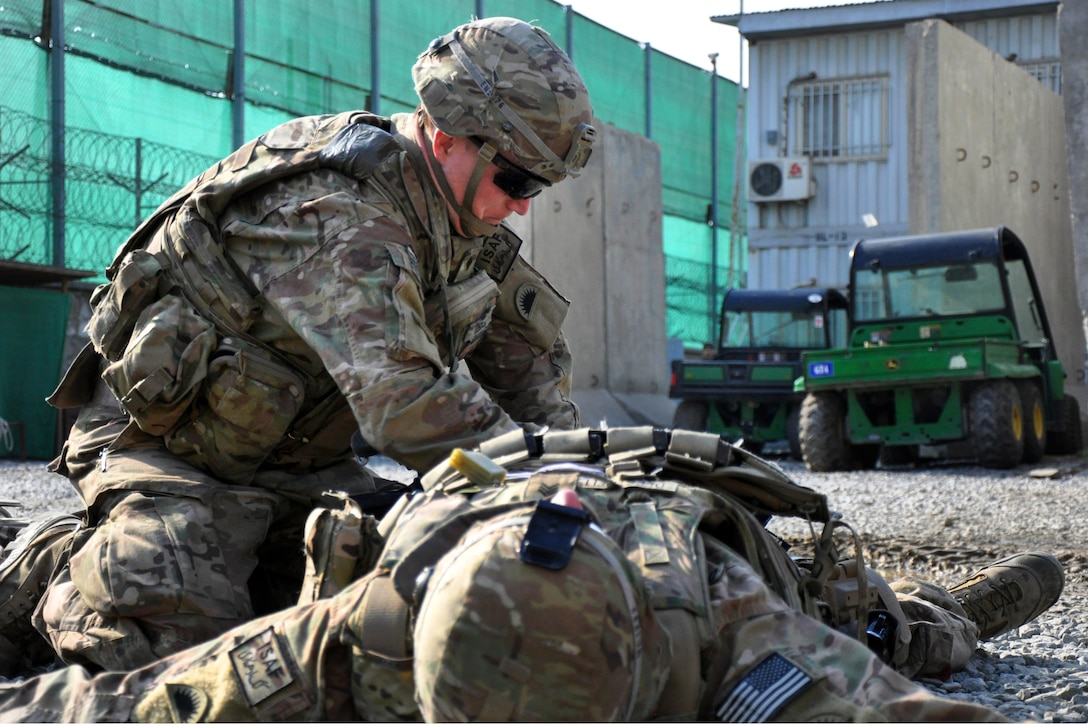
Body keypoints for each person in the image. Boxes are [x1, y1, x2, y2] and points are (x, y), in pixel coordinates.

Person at [34, 16, 596, 672]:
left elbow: (531, 374)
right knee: (195, 667)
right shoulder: (338, 211)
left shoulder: (464, 222)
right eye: (519, 182)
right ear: (446, 138)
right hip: (170, 454)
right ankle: (52, 578)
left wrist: (576, 483)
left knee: (424, 606)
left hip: (302, 473)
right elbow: (404, 403)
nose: (523, 205)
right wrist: (532, 482)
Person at [0, 426, 1061, 721]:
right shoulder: (373, 630)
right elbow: (133, 700)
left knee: (883, 634)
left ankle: (950, 612)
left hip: (690, 538)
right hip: (488, 505)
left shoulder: (732, 636)